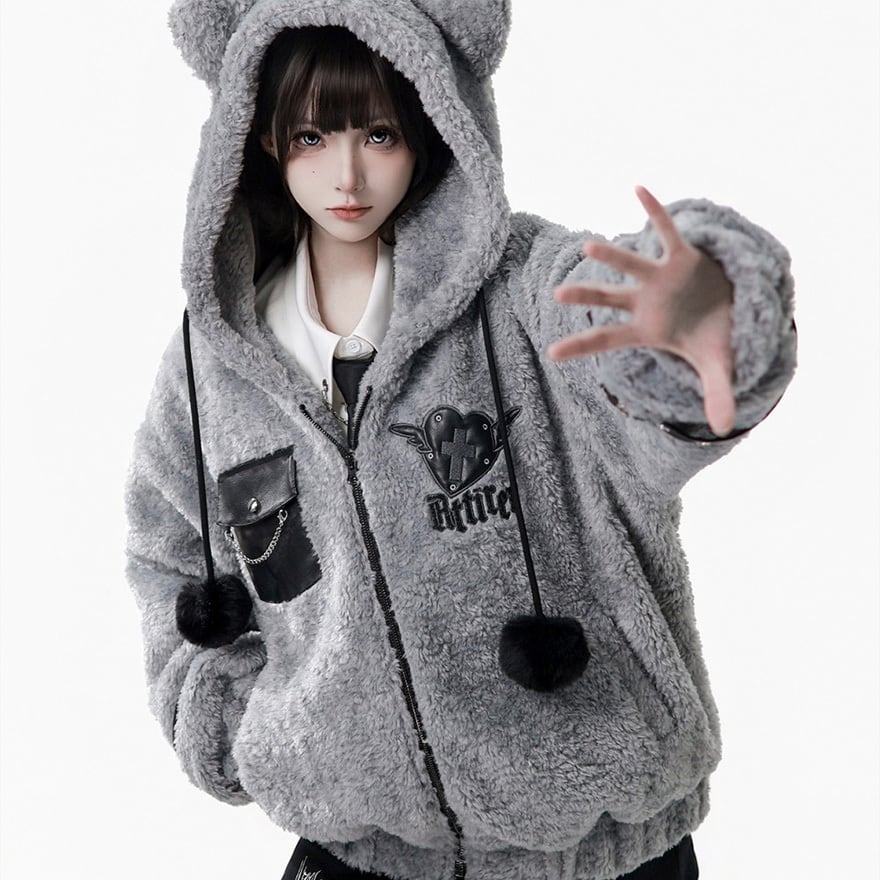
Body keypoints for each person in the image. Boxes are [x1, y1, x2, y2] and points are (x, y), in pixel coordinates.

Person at [125, 2, 797, 879]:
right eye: (312, 137)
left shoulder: (524, 288)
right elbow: (171, 553)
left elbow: (608, 332)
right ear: (261, 139)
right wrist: (229, 724)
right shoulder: (216, 364)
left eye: (378, 134)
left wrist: (693, 323)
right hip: (357, 852)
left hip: (599, 853)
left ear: (430, 125)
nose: (347, 175)